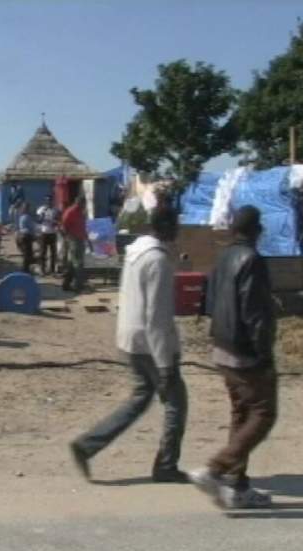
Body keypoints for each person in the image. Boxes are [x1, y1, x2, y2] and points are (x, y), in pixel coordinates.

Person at [69, 204, 188, 483]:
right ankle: (166, 466)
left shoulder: (136, 252)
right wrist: (165, 363)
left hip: (128, 338)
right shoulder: (157, 261)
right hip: (149, 344)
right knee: (176, 404)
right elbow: (157, 317)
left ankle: (87, 445)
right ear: (170, 227)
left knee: (139, 398)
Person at [190, 205, 278, 509]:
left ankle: (237, 486)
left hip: (222, 346)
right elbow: (255, 313)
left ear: (232, 229)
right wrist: (263, 353)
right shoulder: (251, 260)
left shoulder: (223, 256)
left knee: (241, 414)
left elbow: (210, 301)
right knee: (264, 414)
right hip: (244, 350)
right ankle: (215, 469)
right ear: (257, 230)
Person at [60, 195, 88, 292]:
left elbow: (83, 226)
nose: (85, 205)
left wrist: (86, 238)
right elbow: (64, 226)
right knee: (78, 264)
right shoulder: (71, 212)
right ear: (79, 203)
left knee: (72, 263)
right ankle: (78, 286)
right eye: (83, 203)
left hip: (80, 239)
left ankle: (66, 284)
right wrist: (68, 238)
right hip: (74, 240)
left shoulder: (81, 212)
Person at [36, 195, 59, 274]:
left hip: (53, 233)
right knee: (43, 253)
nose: (49, 202)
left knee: (53, 253)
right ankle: (42, 269)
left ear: (52, 201)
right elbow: (38, 221)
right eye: (47, 200)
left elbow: (58, 220)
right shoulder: (41, 209)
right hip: (44, 233)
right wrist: (42, 215)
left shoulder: (55, 209)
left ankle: (52, 270)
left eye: (50, 200)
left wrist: (55, 223)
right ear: (45, 201)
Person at [16, 202, 37, 274]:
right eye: (29, 208)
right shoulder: (27, 217)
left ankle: (26, 269)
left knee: (26, 254)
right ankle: (25, 270)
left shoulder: (21, 216)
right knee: (27, 254)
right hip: (26, 237)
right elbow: (32, 227)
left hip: (21, 236)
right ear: (27, 209)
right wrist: (35, 235)